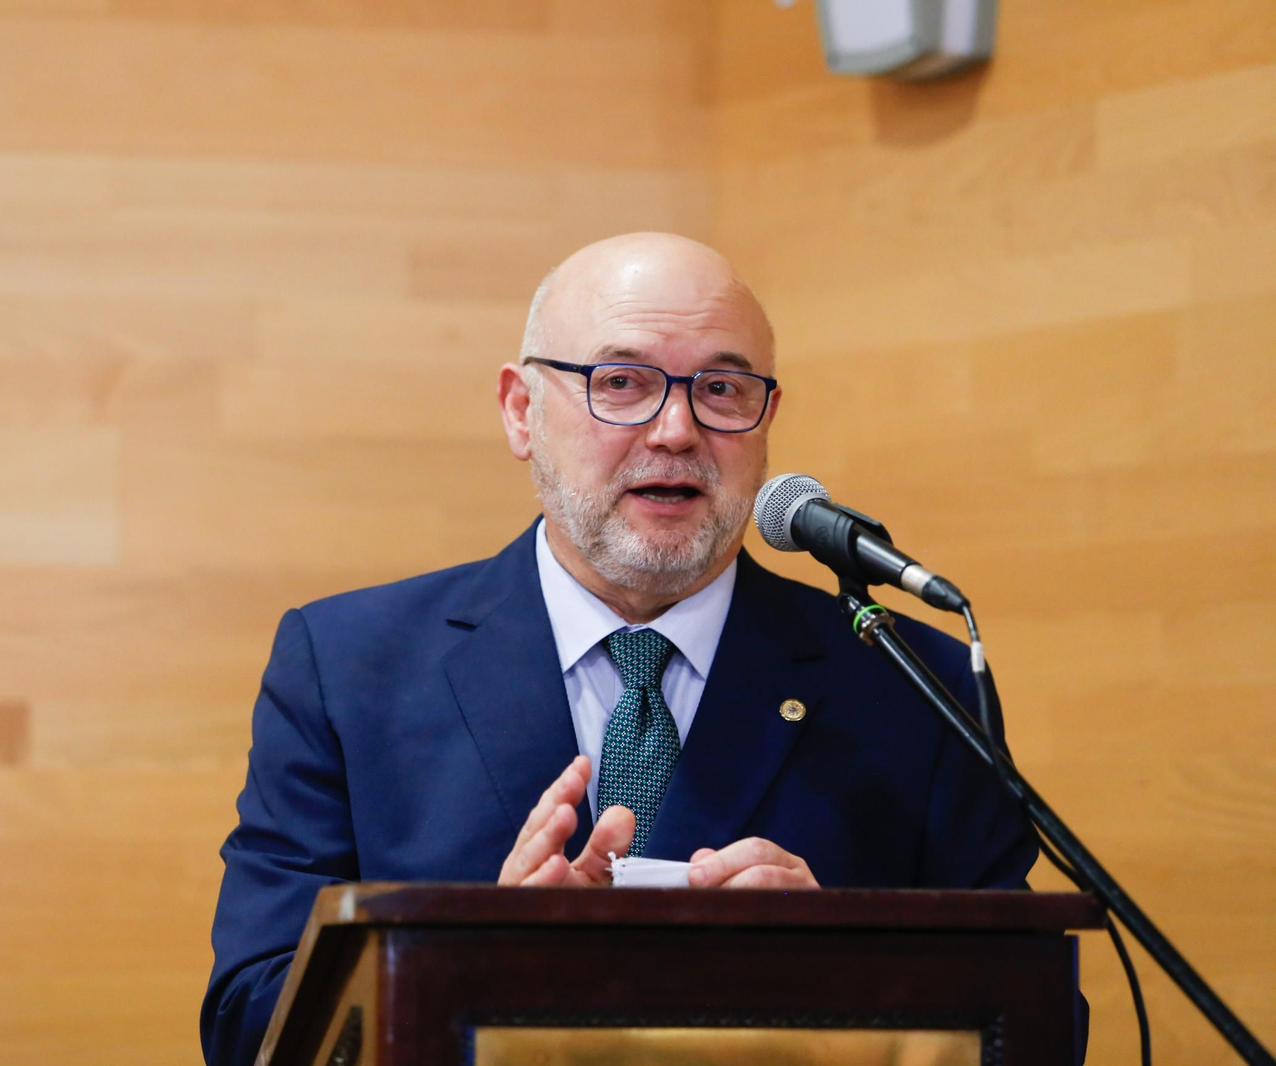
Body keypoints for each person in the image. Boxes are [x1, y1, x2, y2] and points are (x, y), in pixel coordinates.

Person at [199, 233, 1037, 1066]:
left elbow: (1037, 1027)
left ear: (766, 419)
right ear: (521, 412)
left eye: (721, 388)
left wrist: (847, 971)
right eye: (622, 383)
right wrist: (473, 965)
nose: (676, 430)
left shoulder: (912, 686)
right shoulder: (346, 668)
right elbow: (248, 1024)